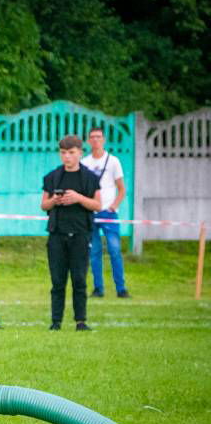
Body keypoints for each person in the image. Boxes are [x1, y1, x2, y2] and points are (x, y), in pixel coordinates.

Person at [41, 135, 101, 331]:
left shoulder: (90, 177)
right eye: (63, 153)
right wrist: (54, 201)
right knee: (57, 281)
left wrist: (78, 198)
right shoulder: (52, 176)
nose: (67, 156)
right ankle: (56, 321)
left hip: (81, 234)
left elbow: (98, 205)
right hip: (57, 234)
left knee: (79, 279)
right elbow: (44, 204)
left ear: (80, 153)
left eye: (71, 152)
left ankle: (80, 321)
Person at [81, 127, 129, 298]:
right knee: (94, 252)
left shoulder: (113, 161)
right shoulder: (84, 163)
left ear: (104, 140)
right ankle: (98, 288)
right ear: (88, 141)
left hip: (108, 213)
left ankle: (121, 289)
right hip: (91, 213)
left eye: (99, 137)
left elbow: (121, 189)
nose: (96, 140)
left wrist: (113, 206)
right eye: (92, 137)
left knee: (114, 250)